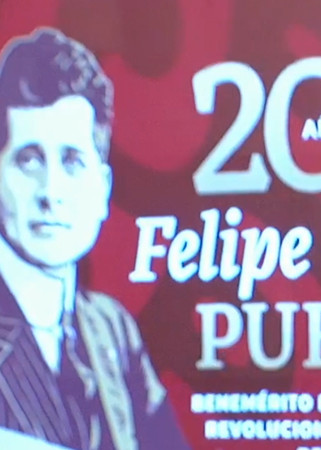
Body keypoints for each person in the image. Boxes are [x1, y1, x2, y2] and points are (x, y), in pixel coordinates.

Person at [0, 28, 188, 450]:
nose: (50, 192)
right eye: (28, 160)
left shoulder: (111, 328)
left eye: (72, 161)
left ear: (103, 189)